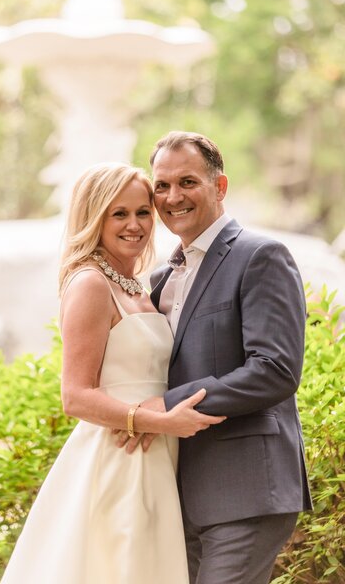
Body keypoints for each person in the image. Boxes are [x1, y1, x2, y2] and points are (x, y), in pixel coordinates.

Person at [0, 162, 226, 584]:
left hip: (157, 457)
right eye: (118, 214)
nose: (135, 225)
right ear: (94, 217)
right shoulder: (90, 283)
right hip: (120, 460)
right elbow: (76, 396)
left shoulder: (138, 285)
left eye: (143, 212)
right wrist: (156, 420)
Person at [126, 132, 313, 584]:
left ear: (220, 187)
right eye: (163, 185)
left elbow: (275, 370)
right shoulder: (157, 277)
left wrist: (169, 405)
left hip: (245, 489)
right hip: (175, 492)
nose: (173, 197)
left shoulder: (260, 256)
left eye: (188, 182)